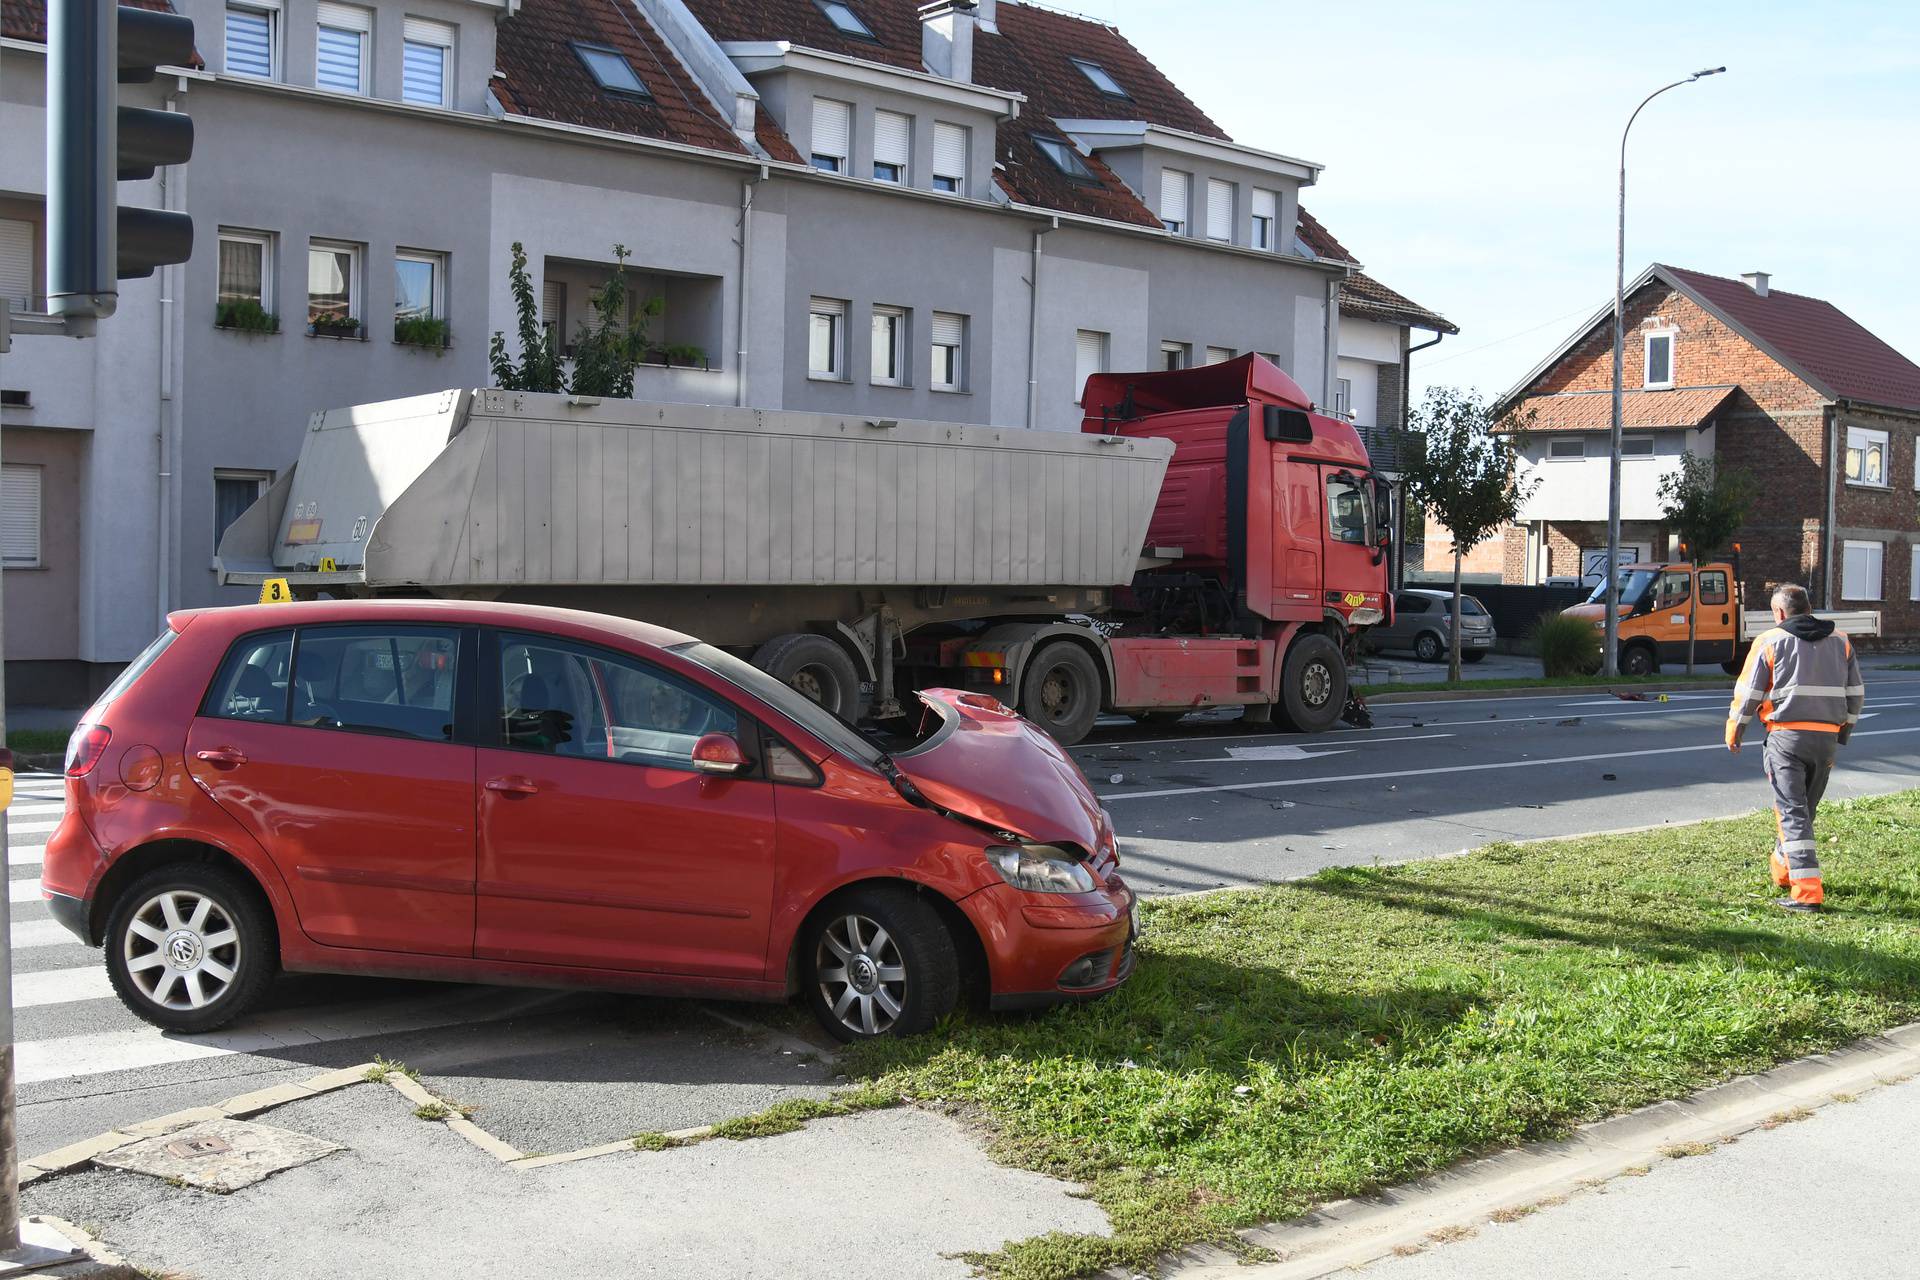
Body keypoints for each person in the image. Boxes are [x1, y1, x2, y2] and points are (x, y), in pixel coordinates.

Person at [1725, 583, 1865, 912]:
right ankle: (1784, 870)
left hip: (1786, 737)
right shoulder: (1841, 641)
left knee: (1792, 812)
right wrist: (1843, 732)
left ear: (1779, 613)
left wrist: (1735, 729)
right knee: (1802, 812)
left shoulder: (1770, 640)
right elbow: (1856, 693)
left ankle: (1807, 893)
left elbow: (1748, 694)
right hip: (1826, 739)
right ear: (1809, 607)